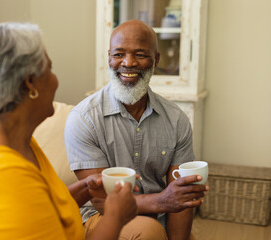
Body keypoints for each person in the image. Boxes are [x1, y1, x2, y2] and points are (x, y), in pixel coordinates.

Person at [0, 22, 138, 240]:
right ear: (29, 83)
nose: (55, 81)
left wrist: (84, 188)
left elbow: (38, 207)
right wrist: (115, 216)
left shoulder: (16, 141)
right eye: (49, 69)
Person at [64, 19, 209, 240]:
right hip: (102, 216)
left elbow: (181, 196)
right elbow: (102, 200)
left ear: (155, 60)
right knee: (148, 232)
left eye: (140, 55)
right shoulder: (84, 118)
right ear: (109, 57)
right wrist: (162, 201)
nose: (128, 63)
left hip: (159, 214)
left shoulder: (176, 119)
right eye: (119, 54)